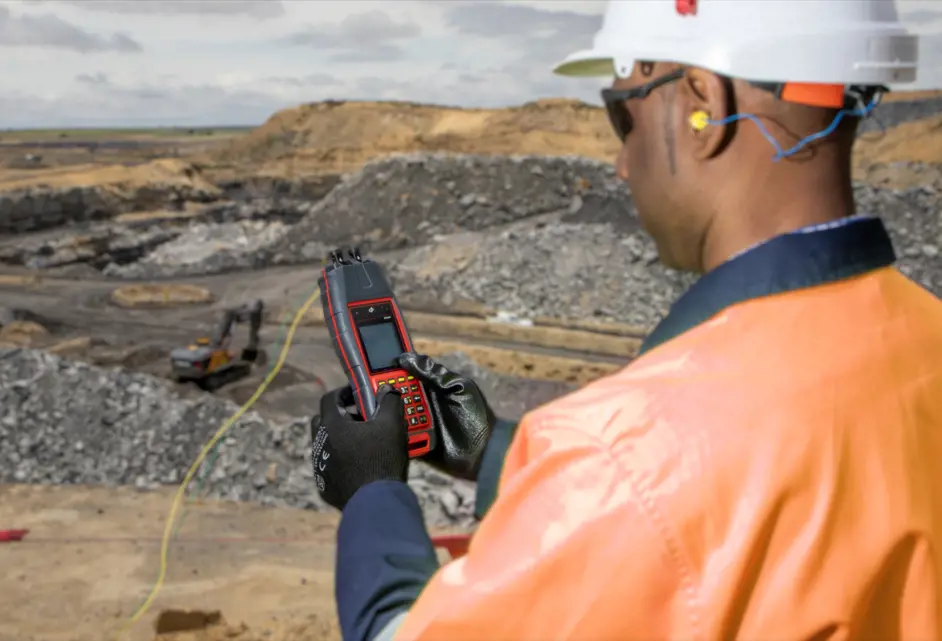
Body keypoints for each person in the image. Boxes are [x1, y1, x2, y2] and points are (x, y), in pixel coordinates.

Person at [310, 1, 942, 639]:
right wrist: (489, 450)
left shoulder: (628, 447)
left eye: (624, 118)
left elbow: (648, 488)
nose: (620, 163)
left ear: (701, 107)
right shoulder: (926, 335)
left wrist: (372, 492)